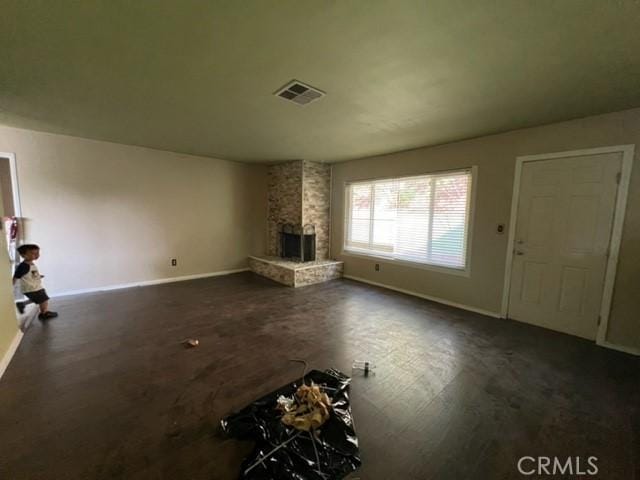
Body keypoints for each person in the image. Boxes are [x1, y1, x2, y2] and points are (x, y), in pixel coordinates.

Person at [13, 244, 58, 320]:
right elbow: (16, 276)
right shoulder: (23, 266)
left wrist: (38, 276)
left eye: (37, 253)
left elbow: (30, 274)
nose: (37, 255)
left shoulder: (31, 264)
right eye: (33, 253)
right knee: (44, 300)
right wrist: (11, 286)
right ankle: (44, 313)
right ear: (23, 255)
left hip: (35, 287)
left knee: (38, 299)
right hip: (31, 288)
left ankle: (22, 304)